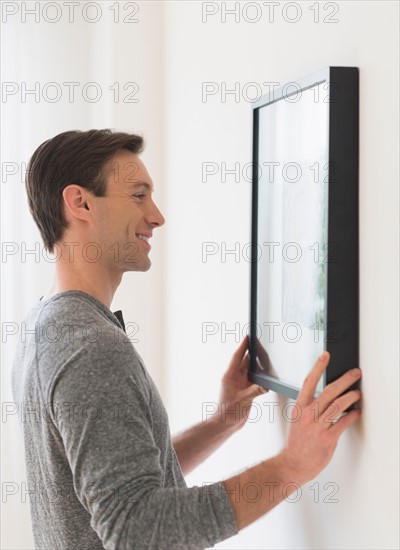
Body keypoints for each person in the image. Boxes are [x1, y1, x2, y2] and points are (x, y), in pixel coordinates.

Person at [12, 129, 362, 550]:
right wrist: (291, 466)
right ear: (80, 202)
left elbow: (117, 481)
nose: (157, 216)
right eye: (139, 196)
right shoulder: (89, 344)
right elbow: (135, 529)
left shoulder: (44, 323)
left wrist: (223, 421)